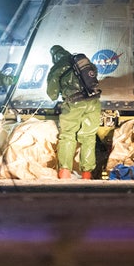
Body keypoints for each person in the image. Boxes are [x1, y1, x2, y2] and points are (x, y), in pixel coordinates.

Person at [46, 45, 102, 179]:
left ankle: (65, 174)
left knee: (68, 136)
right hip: (93, 102)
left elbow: (52, 94)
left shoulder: (59, 66)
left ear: (55, 56)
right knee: (89, 137)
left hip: (74, 104)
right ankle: (87, 175)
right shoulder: (83, 62)